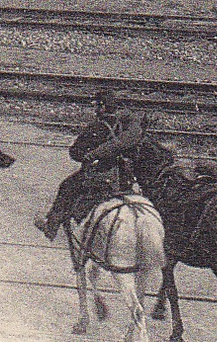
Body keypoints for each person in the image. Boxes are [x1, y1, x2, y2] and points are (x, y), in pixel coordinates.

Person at [35, 89, 145, 241]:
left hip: (98, 174)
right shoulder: (123, 126)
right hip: (119, 174)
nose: (95, 110)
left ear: (102, 107)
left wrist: (86, 156)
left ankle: (51, 225)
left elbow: (75, 152)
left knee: (66, 186)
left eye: (97, 106)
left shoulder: (96, 127)